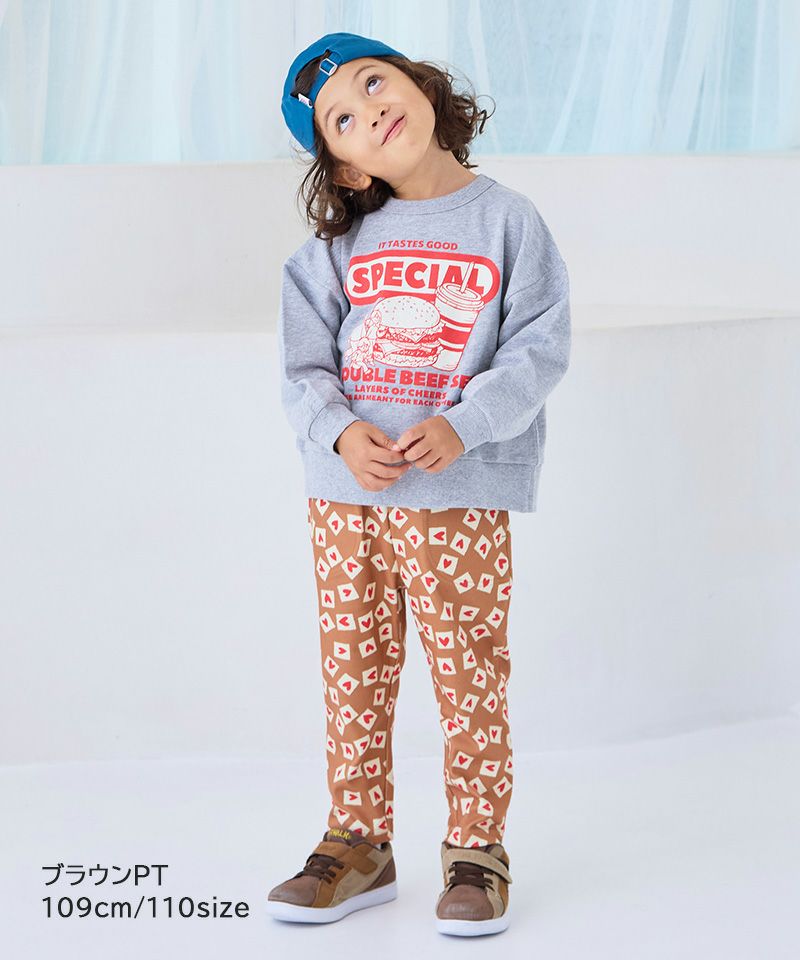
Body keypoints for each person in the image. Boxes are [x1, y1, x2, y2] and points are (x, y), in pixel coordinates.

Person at [267, 32, 571, 938]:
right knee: (353, 670)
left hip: (457, 497)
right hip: (346, 498)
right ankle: (357, 843)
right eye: (342, 120)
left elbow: (540, 347)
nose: (370, 110)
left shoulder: (507, 220)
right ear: (348, 168)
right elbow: (301, 363)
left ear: (422, 86)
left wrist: (464, 423)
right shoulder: (340, 244)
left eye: (375, 82)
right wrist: (338, 430)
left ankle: (476, 851)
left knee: (468, 671)